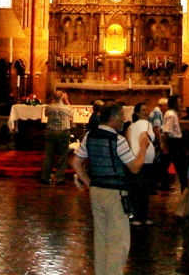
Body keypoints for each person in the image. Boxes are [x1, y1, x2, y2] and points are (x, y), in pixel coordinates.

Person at [71, 102, 150, 275]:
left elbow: (76, 163)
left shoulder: (90, 135)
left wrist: (90, 183)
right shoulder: (117, 140)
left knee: (101, 238)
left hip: (97, 191)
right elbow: (134, 167)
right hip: (115, 192)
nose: (123, 119)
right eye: (121, 115)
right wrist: (143, 147)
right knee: (118, 241)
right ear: (113, 117)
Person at [124, 101, 157, 225]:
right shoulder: (142, 124)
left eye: (147, 110)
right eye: (143, 110)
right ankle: (136, 215)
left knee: (143, 189)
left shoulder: (136, 126)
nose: (146, 112)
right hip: (140, 160)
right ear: (137, 113)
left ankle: (142, 215)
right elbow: (143, 137)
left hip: (144, 161)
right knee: (138, 189)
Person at [40, 90, 72, 185]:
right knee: (62, 155)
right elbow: (72, 113)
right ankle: (59, 178)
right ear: (62, 97)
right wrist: (66, 100)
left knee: (48, 155)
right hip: (63, 133)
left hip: (51, 132)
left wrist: (54, 100)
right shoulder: (66, 108)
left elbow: (46, 113)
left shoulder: (49, 107)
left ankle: (45, 177)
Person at [162, 94, 189, 191]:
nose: (180, 104)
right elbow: (167, 130)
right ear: (174, 104)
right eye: (179, 102)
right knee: (181, 165)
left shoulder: (172, 113)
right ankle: (184, 186)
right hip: (174, 142)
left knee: (171, 164)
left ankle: (169, 185)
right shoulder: (171, 115)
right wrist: (165, 146)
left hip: (175, 141)